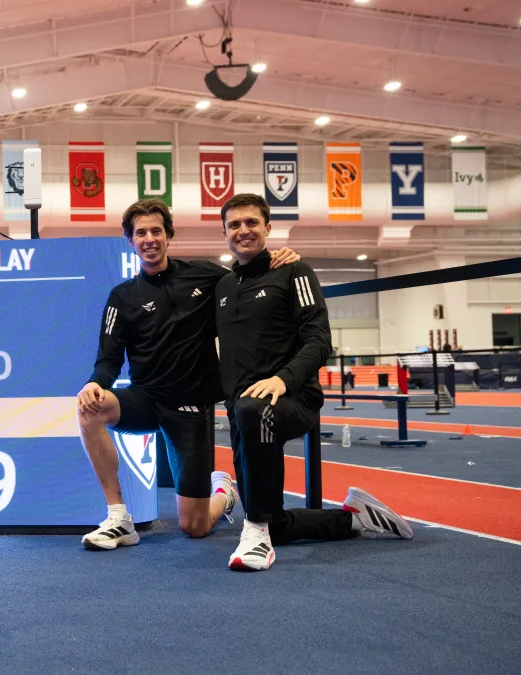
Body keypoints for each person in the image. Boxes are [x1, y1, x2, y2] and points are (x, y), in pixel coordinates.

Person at [77, 198, 300, 550]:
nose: (149, 238)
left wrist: (279, 260)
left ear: (169, 236)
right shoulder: (121, 297)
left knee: (194, 527)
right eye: (140, 233)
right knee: (89, 408)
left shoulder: (206, 276)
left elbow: (247, 280)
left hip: (190, 408)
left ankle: (223, 494)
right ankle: (119, 518)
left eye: (156, 231)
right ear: (131, 241)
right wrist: (95, 383)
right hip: (145, 399)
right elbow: (108, 360)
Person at [215, 193, 413, 571]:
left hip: (293, 399)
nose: (243, 230)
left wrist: (282, 379)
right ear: (225, 233)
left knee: (253, 415)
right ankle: (356, 518)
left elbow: (320, 340)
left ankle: (254, 533)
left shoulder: (294, 272)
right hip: (244, 410)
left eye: (252, 222)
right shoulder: (222, 286)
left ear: (268, 228)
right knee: (278, 524)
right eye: (235, 225)